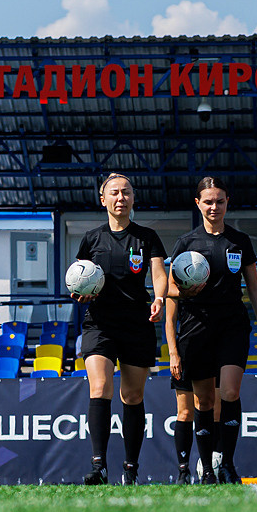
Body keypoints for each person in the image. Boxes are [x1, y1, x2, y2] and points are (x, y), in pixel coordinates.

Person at [166, 176, 257, 484]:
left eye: (219, 201)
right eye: (208, 201)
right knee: (204, 402)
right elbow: (170, 288)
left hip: (233, 324)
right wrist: (186, 293)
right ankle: (207, 469)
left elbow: (254, 287)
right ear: (198, 204)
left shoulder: (240, 241)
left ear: (227, 202)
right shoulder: (186, 243)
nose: (214, 207)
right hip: (196, 327)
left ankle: (228, 464)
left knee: (231, 392)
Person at [72, 174, 168, 485]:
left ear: (132, 199)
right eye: (114, 193)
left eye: (125, 192)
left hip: (137, 323)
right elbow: (77, 277)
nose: (120, 197)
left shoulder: (147, 237)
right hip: (99, 323)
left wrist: (160, 297)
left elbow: (159, 272)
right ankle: (98, 466)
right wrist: (79, 292)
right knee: (100, 388)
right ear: (103, 200)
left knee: (132, 395)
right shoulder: (91, 238)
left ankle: (130, 468)